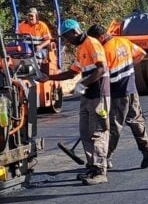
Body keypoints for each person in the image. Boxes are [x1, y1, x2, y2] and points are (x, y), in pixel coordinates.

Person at [40, 19, 110, 185]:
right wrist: (48, 78)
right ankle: (92, 167)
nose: (66, 41)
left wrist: (83, 83)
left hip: (98, 94)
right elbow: (72, 73)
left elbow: (101, 68)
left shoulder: (92, 43)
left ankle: (100, 171)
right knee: (85, 131)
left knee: (98, 132)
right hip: (87, 95)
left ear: (74, 32)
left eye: (66, 37)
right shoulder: (81, 49)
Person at [87, 24, 148, 170]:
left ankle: (106, 157)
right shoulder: (123, 42)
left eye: (95, 41)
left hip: (117, 94)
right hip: (132, 90)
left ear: (101, 37)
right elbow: (142, 53)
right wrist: (128, 68)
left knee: (113, 127)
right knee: (136, 121)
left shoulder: (104, 51)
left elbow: (101, 73)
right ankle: (147, 149)